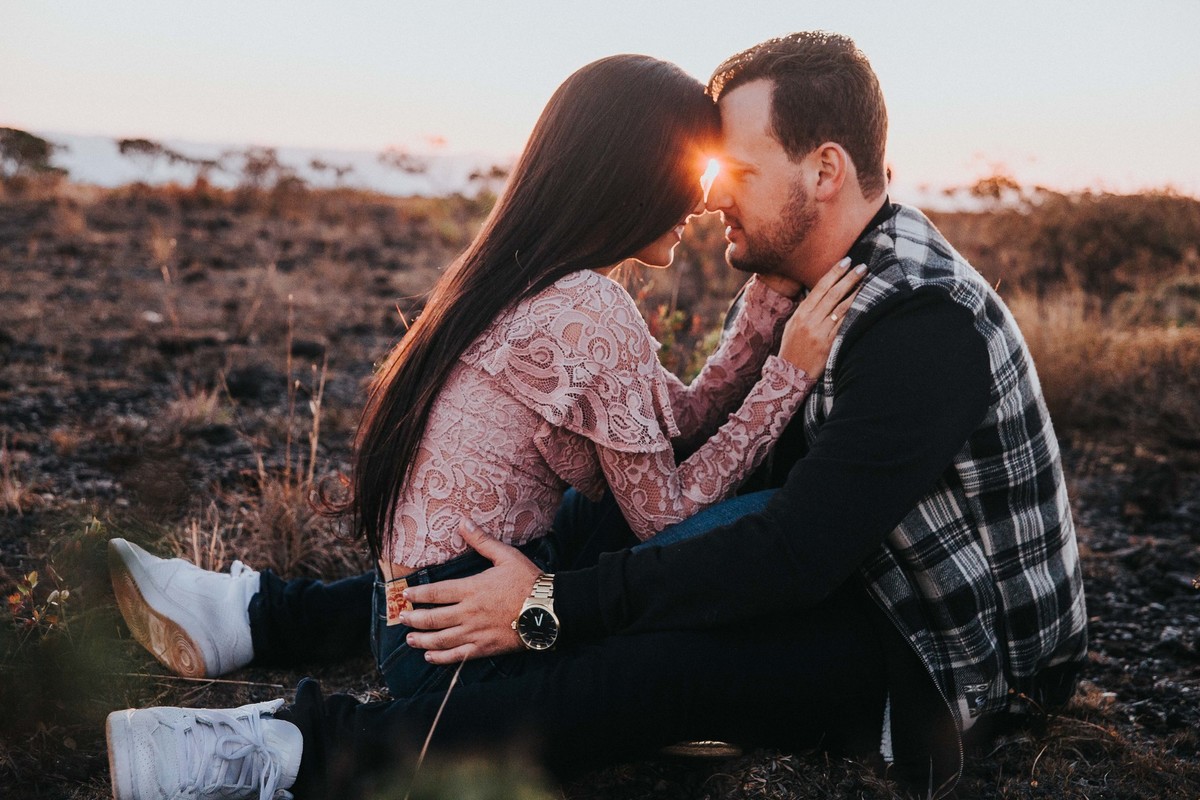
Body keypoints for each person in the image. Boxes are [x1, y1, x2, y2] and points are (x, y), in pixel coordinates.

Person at [104, 32, 1087, 800]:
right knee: (593, 524)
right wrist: (752, 357)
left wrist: (546, 608)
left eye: (736, 172)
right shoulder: (816, 283)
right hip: (857, 575)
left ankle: (290, 750)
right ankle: (254, 613)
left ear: (823, 170)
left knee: (664, 662)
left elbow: (791, 552)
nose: (710, 201)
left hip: (933, 658)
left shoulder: (919, 324)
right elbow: (692, 461)